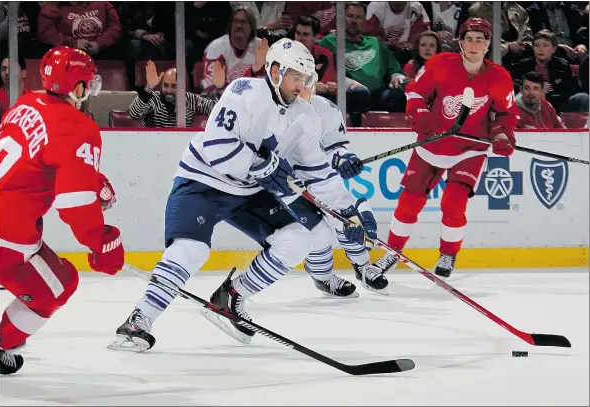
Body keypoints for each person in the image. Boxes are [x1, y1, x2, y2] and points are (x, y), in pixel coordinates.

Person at [108, 39, 377, 351]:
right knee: (191, 250)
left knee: (298, 239)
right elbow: (217, 146)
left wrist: (349, 213)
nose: (301, 86)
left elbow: (318, 172)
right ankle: (140, 319)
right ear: (275, 72)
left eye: (306, 79)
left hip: (248, 191)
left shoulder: (305, 116)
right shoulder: (245, 92)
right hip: (203, 181)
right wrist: (261, 164)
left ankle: (230, 298)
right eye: (296, 77)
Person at [0, 46, 125, 375]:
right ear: (78, 87)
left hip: (5, 227)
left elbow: (37, 157)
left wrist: (90, 177)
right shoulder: (80, 127)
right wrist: (102, 242)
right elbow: (75, 205)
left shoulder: (24, 104)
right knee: (58, 286)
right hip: (5, 240)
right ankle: (1, 343)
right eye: (87, 81)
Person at [372, 18, 519, 278]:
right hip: (432, 143)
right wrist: (421, 116)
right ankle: (391, 252)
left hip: (470, 149)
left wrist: (502, 136)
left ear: (488, 45)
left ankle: (448, 254)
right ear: (460, 42)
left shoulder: (499, 77)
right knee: (409, 202)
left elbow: (505, 115)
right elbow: (416, 93)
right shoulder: (440, 64)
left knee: (453, 202)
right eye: (469, 38)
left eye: (480, 39)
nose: (474, 45)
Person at [304, 92, 388, 296]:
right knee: (316, 230)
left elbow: (335, 147)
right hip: (285, 182)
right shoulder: (273, 108)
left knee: (351, 216)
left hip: (320, 177)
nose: (301, 87)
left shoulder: (324, 108)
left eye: (307, 81)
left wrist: (344, 159)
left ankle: (362, 266)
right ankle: (322, 276)